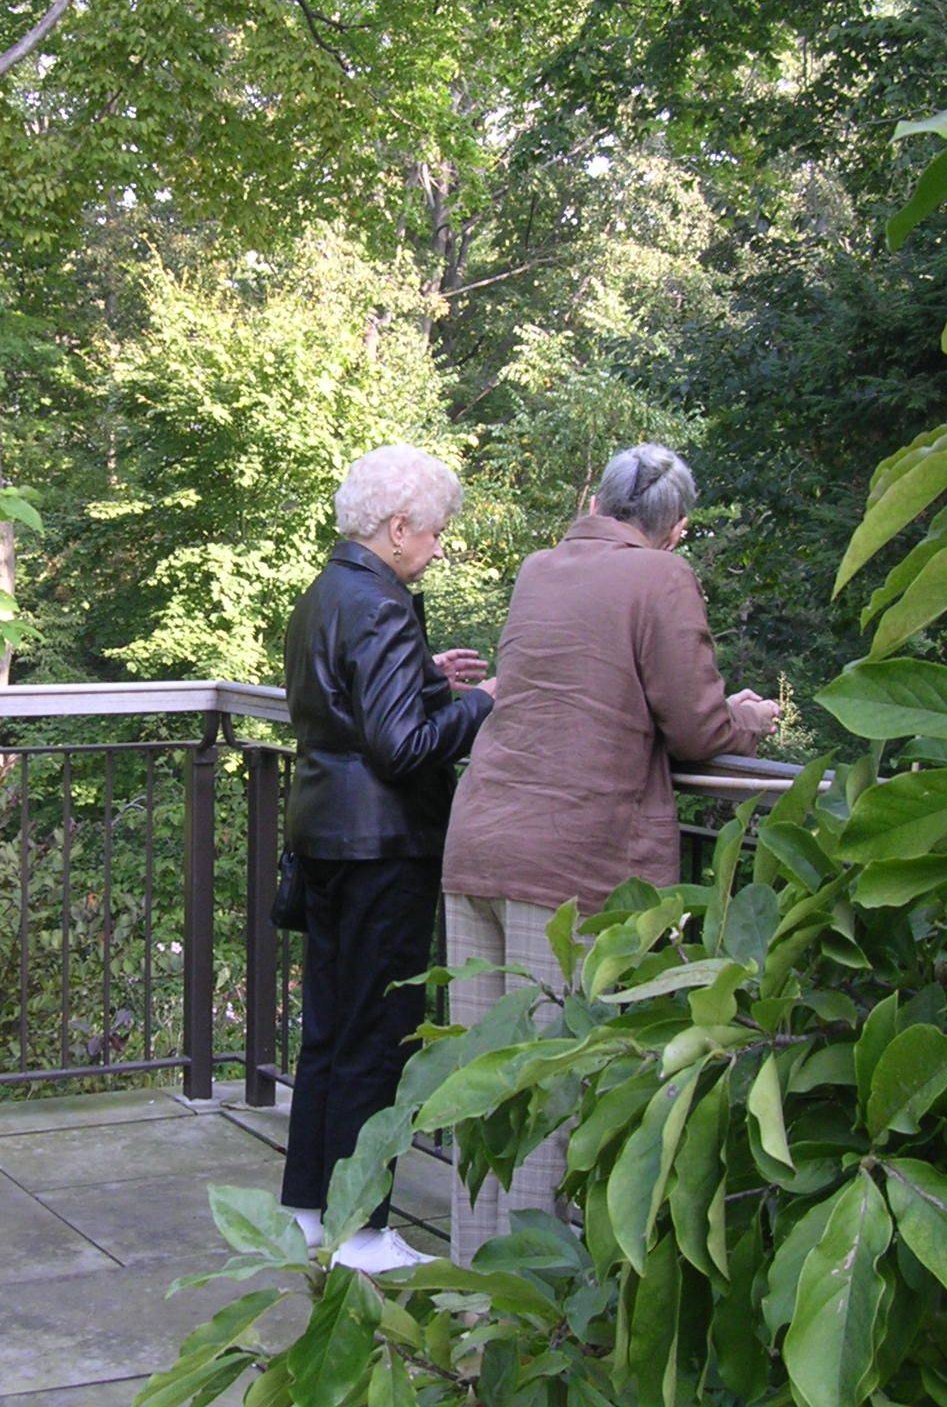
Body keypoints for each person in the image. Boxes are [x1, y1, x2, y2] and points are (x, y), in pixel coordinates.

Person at [441, 442, 780, 1262]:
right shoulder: (660, 577)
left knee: (484, 1091)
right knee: (558, 1093)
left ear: (595, 504)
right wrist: (748, 721)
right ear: (679, 529)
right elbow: (696, 726)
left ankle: (473, 1299)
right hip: (574, 866)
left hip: (480, 840)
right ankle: (538, 1328)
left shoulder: (537, 568)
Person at [279, 444, 495, 1274]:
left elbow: (346, 704)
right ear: (399, 527)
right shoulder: (384, 604)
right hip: (382, 849)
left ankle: (309, 1210)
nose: (439, 548)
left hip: (325, 839)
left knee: (330, 1032)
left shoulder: (325, 594)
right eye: (435, 533)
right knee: (378, 1038)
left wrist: (428, 678)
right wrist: (480, 703)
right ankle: (364, 1230)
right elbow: (402, 748)